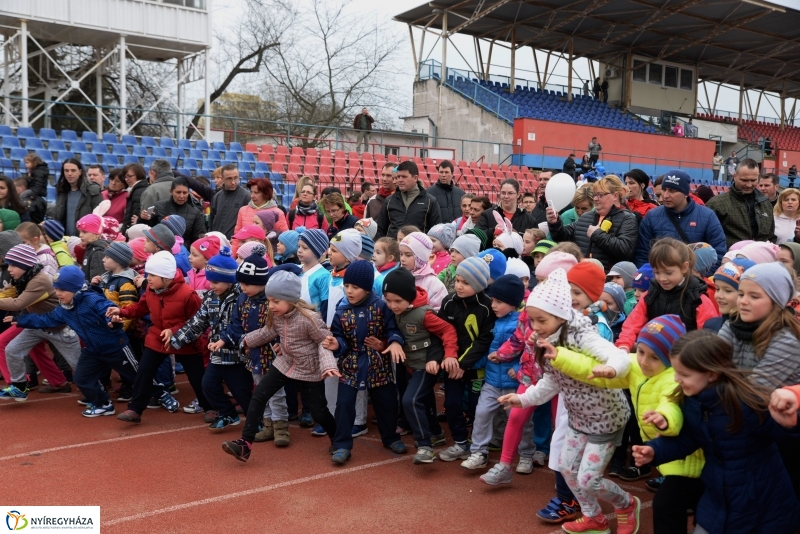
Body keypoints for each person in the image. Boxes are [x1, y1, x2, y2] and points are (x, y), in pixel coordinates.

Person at [497, 268, 637, 533]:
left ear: (559, 315)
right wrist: (524, 399)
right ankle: (593, 517)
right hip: (578, 418)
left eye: (540, 320)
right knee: (565, 467)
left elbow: (616, 355)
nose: (535, 327)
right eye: (532, 320)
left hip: (605, 418)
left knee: (589, 479)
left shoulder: (582, 335)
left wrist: (611, 370)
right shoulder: (547, 338)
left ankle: (626, 504)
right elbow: (552, 380)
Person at [632, 330, 800, 534]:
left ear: (711, 374)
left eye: (684, 374)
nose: (677, 379)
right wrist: (655, 451)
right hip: (718, 498)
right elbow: (688, 439)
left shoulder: (746, 403)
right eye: (676, 372)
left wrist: (791, 423)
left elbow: (784, 439)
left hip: (761, 505)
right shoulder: (694, 401)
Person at [552, 315, 704, 534]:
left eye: (654, 357)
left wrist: (664, 419)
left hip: (687, 459)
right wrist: (561, 356)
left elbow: (671, 404)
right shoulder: (636, 366)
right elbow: (592, 367)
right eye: (641, 352)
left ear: (672, 359)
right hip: (668, 453)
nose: (644, 361)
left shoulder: (673, 378)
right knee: (675, 506)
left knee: (677, 506)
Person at [221, 270, 340, 462]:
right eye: (269, 300)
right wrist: (244, 341)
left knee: (319, 411)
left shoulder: (309, 319)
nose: (271, 306)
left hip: (309, 369)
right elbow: (267, 332)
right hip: (285, 363)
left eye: (276, 301)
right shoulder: (276, 315)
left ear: (291, 299)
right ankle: (245, 444)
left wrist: (327, 366)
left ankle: (337, 438)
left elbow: (324, 342)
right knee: (259, 395)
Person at [5, 265, 138, 417]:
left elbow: (108, 309)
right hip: (93, 349)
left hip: (115, 347)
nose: (58, 294)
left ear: (75, 288)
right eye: (57, 289)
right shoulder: (64, 307)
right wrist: (20, 319)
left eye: (63, 290)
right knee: (81, 377)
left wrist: (113, 321)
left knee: (136, 375)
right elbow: (48, 319)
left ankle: (161, 394)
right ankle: (103, 404)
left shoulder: (91, 299)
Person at [320, 260, 407, 464]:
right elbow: (339, 337)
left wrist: (388, 343)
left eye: (355, 287)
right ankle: (341, 444)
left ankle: (390, 437)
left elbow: (393, 330)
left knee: (386, 403)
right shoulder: (341, 309)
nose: (349, 291)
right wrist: (336, 344)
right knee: (344, 405)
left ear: (367, 288)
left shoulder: (381, 306)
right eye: (347, 286)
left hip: (377, 363)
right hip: (351, 364)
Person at [113, 251, 210, 423]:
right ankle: (135, 409)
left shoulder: (188, 295)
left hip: (185, 340)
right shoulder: (151, 290)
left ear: (166, 278)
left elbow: (198, 320)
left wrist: (174, 330)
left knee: (196, 376)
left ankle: (210, 407)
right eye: (148, 274)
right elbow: (141, 308)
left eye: (152, 275)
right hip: (158, 336)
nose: (147, 278)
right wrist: (122, 311)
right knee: (144, 371)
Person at [381, 267, 457, 464]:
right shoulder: (396, 312)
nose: (392, 305)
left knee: (410, 400)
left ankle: (425, 446)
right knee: (424, 401)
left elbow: (447, 330)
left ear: (409, 297)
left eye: (397, 301)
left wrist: (448, 355)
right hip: (409, 365)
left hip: (425, 366)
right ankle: (435, 433)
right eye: (388, 301)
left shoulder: (424, 314)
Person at [429, 256, 496, 463]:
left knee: (477, 409)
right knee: (452, 404)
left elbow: (484, 341)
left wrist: (463, 364)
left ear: (478, 284)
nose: (459, 286)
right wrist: (444, 359)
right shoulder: (448, 302)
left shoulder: (487, 307)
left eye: (465, 283)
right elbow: (439, 333)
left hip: (475, 369)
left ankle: (479, 447)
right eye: (457, 280)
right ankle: (460, 443)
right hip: (451, 367)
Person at [461, 275, 526, 471]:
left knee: (520, 420)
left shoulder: (521, 325)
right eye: (492, 301)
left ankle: (526, 454)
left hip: (514, 385)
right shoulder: (493, 322)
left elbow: (528, 353)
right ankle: (479, 452)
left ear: (513, 304)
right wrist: (470, 364)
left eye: (499, 302)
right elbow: (488, 350)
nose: (494, 305)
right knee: (481, 414)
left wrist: (518, 369)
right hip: (491, 382)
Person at [618, 238, 718, 353]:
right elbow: (631, 325)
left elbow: (708, 337)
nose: (662, 278)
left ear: (685, 267)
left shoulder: (697, 298)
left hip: (686, 359)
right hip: (653, 355)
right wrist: (623, 346)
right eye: (657, 272)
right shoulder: (651, 294)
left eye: (668, 273)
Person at [0, 245, 74, 399]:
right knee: (14, 348)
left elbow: (17, 303)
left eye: (13, 265)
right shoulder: (25, 278)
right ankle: (19, 386)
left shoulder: (38, 281)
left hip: (56, 326)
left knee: (78, 363)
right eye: (8, 265)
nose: (9, 269)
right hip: (37, 323)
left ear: (25, 265)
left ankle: (98, 392)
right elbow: (13, 297)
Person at [635, 170, 727, 268]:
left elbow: (718, 254)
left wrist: (699, 278)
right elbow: (641, 255)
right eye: (664, 189)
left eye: (672, 191)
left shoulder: (707, 216)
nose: (665, 195)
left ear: (686, 193)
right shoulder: (651, 217)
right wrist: (656, 276)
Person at [547, 175, 638, 271]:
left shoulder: (627, 219)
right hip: (581, 274)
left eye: (600, 195)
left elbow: (625, 250)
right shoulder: (586, 217)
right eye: (595, 195)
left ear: (615, 196)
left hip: (608, 280)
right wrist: (555, 223)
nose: (595, 199)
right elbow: (562, 237)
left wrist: (597, 235)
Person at [706, 158, 776, 248]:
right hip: (729, 259)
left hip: (761, 259)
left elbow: (771, 237)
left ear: (758, 177)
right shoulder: (716, 204)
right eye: (744, 180)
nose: (749, 185)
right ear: (735, 176)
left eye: (753, 180)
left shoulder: (766, 204)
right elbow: (707, 237)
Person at [375, 161, 442, 239]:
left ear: (415, 178)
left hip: (417, 249)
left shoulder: (430, 201)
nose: (400, 180)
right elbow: (381, 230)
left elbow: (436, 232)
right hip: (393, 249)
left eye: (404, 177)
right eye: (399, 176)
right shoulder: (389, 200)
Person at [142, 176, 206, 244]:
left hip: (184, 252)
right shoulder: (158, 207)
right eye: (178, 192)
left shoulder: (195, 212)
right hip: (160, 250)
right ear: (171, 191)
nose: (181, 196)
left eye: (185, 193)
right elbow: (147, 229)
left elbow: (198, 239)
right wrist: (143, 218)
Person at [399, 232, 448, 311]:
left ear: (420, 257)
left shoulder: (434, 284)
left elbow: (439, 312)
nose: (402, 259)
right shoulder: (397, 277)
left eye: (408, 255)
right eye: (401, 254)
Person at [54, 158, 102, 236]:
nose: (69, 174)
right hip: (64, 239)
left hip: (85, 239)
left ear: (80, 172)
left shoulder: (93, 190)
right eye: (66, 171)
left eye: (73, 170)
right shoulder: (61, 191)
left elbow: (98, 218)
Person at [209, 164, 250, 238]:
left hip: (236, 242)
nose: (233, 182)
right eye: (229, 179)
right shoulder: (217, 197)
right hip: (216, 242)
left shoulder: (246, 197)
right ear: (223, 179)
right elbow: (211, 221)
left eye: (236, 178)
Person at [120, 163, 148, 233]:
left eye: (130, 176)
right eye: (125, 177)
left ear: (139, 175)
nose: (126, 179)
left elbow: (134, 215)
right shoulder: (136, 189)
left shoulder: (139, 191)